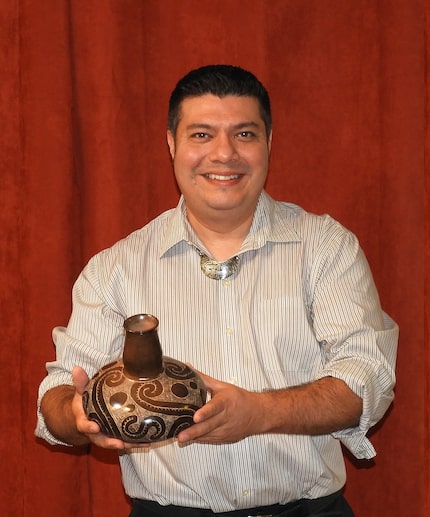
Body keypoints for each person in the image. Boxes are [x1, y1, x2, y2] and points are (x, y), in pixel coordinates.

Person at [36, 64, 398, 517]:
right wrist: (75, 415)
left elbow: (367, 379)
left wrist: (260, 413)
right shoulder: (116, 268)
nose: (224, 154)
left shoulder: (326, 247)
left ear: (269, 142)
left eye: (244, 134)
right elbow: (55, 392)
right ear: (171, 144)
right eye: (201, 135)